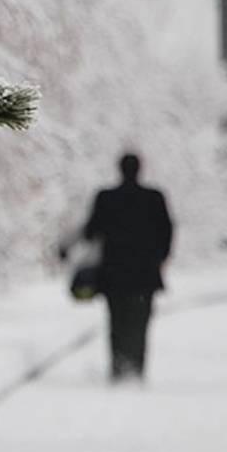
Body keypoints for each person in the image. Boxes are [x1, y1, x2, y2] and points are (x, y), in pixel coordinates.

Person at [80, 153, 174, 382]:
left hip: (114, 274)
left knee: (117, 321)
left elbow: (90, 231)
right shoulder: (154, 198)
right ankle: (136, 369)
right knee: (140, 322)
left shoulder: (106, 198)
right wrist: (159, 258)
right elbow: (167, 231)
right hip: (145, 274)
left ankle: (118, 368)